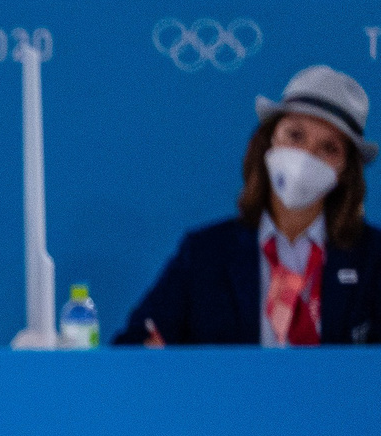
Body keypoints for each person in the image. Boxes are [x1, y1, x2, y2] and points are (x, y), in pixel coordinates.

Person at [121, 66, 377, 347]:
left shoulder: (373, 259)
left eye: (329, 148)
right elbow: (131, 348)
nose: (306, 156)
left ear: (345, 171)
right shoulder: (204, 254)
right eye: (295, 135)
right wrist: (148, 352)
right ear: (268, 142)